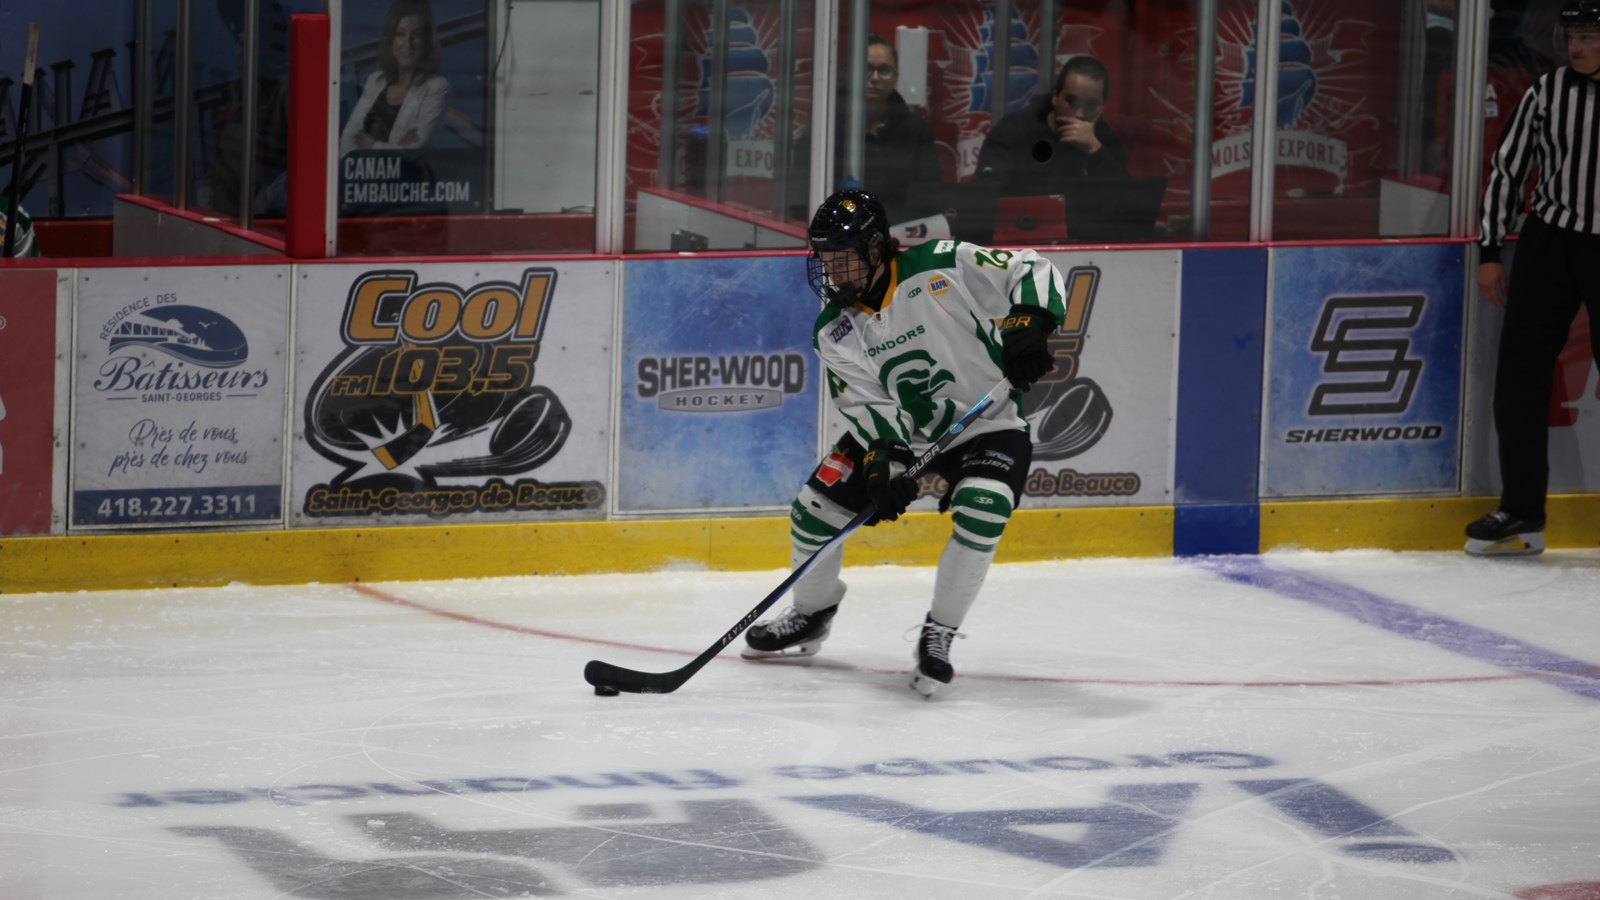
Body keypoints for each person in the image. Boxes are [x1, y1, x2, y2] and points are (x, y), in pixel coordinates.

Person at [742, 188, 1063, 697]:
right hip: (908, 433)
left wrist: (1031, 320)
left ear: (876, 250)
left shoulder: (943, 263)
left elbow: (1031, 266)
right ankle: (810, 614)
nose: (833, 273)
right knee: (814, 507)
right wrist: (883, 462)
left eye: (844, 259)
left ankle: (939, 633)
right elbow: (869, 406)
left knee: (985, 506)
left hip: (988, 422)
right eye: (825, 260)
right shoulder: (835, 331)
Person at [1467, 0, 1600, 557]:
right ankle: (1522, 510)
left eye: (1589, 35)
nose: (1576, 45)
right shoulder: (1548, 92)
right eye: (1572, 34)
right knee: (1519, 375)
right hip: (1550, 241)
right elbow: (1507, 167)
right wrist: (1491, 250)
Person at [789, 35, 944, 224]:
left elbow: (930, 195)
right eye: (866, 69)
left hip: (898, 234)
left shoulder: (915, 128)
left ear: (895, 77)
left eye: (884, 70)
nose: (875, 78)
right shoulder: (826, 123)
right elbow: (800, 194)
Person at [974, 55, 1128, 195]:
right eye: (1072, 102)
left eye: (1091, 104)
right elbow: (985, 195)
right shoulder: (1015, 130)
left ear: (1102, 107)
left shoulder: (1103, 140)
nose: (1080, 114)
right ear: (1055, 96)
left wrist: (1095, 150)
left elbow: (1129, 205)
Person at [338, 0, 451, 156]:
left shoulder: (436, 87)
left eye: (416, 35)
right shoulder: (376, 80)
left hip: (406, 179)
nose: (407, 43)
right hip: (360, 178)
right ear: (390, 40)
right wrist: (395, 147)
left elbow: (413, 152)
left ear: (426, 42)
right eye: (400, 34)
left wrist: (373, 145)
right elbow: (346, 142)